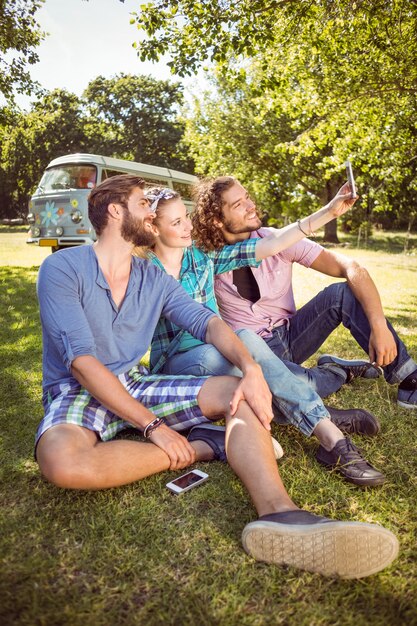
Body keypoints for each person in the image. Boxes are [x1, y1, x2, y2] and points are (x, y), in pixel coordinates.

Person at [34, 173, 399, 579]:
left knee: (238, 393)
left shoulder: (151, 277)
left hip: (134, 383)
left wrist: (251, 368)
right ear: (116, 212)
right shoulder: (62, 267)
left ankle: (281, 513)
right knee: (62, 463)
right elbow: (82, 362)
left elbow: (205, 322)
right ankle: (206, 446)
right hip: (77, 389)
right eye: (143, 206)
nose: (151, 216)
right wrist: (154, 426)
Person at [143, 186, 384, 487]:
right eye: (176, 222)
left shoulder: (202, 257)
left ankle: (332, 439)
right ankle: (324, 416)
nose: (188, 226)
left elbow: (273, 244)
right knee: (228, 355)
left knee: (244, 348)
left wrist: (329, 212)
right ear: (152, 227)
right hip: (177, 364)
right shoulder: (141, 270)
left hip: (220, 352)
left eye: (186, 217)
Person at [190, 176, 417, 409]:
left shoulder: (278, 239)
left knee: (341, 294)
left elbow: (351, 268)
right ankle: (338, 370)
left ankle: (408, 374)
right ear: (217, 220)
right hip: (253, 353)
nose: (251, 206)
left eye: (248, 197)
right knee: (299, 388)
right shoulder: (206, 258)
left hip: (292, 335)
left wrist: (378, 325)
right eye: (238, 205)